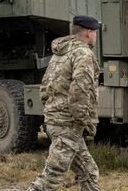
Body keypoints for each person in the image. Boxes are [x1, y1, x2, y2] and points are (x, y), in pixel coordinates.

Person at [26, 15, 102, 191]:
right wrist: (82, 121)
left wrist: (52, 112)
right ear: (89, 33)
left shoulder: (60, 53)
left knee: (88, 172)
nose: (96, 36)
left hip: (55, 120)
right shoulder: (83, 54)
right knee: (51, 176)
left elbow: (44, 88)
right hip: (68, 124)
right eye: (95, 32)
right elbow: (80, 91)